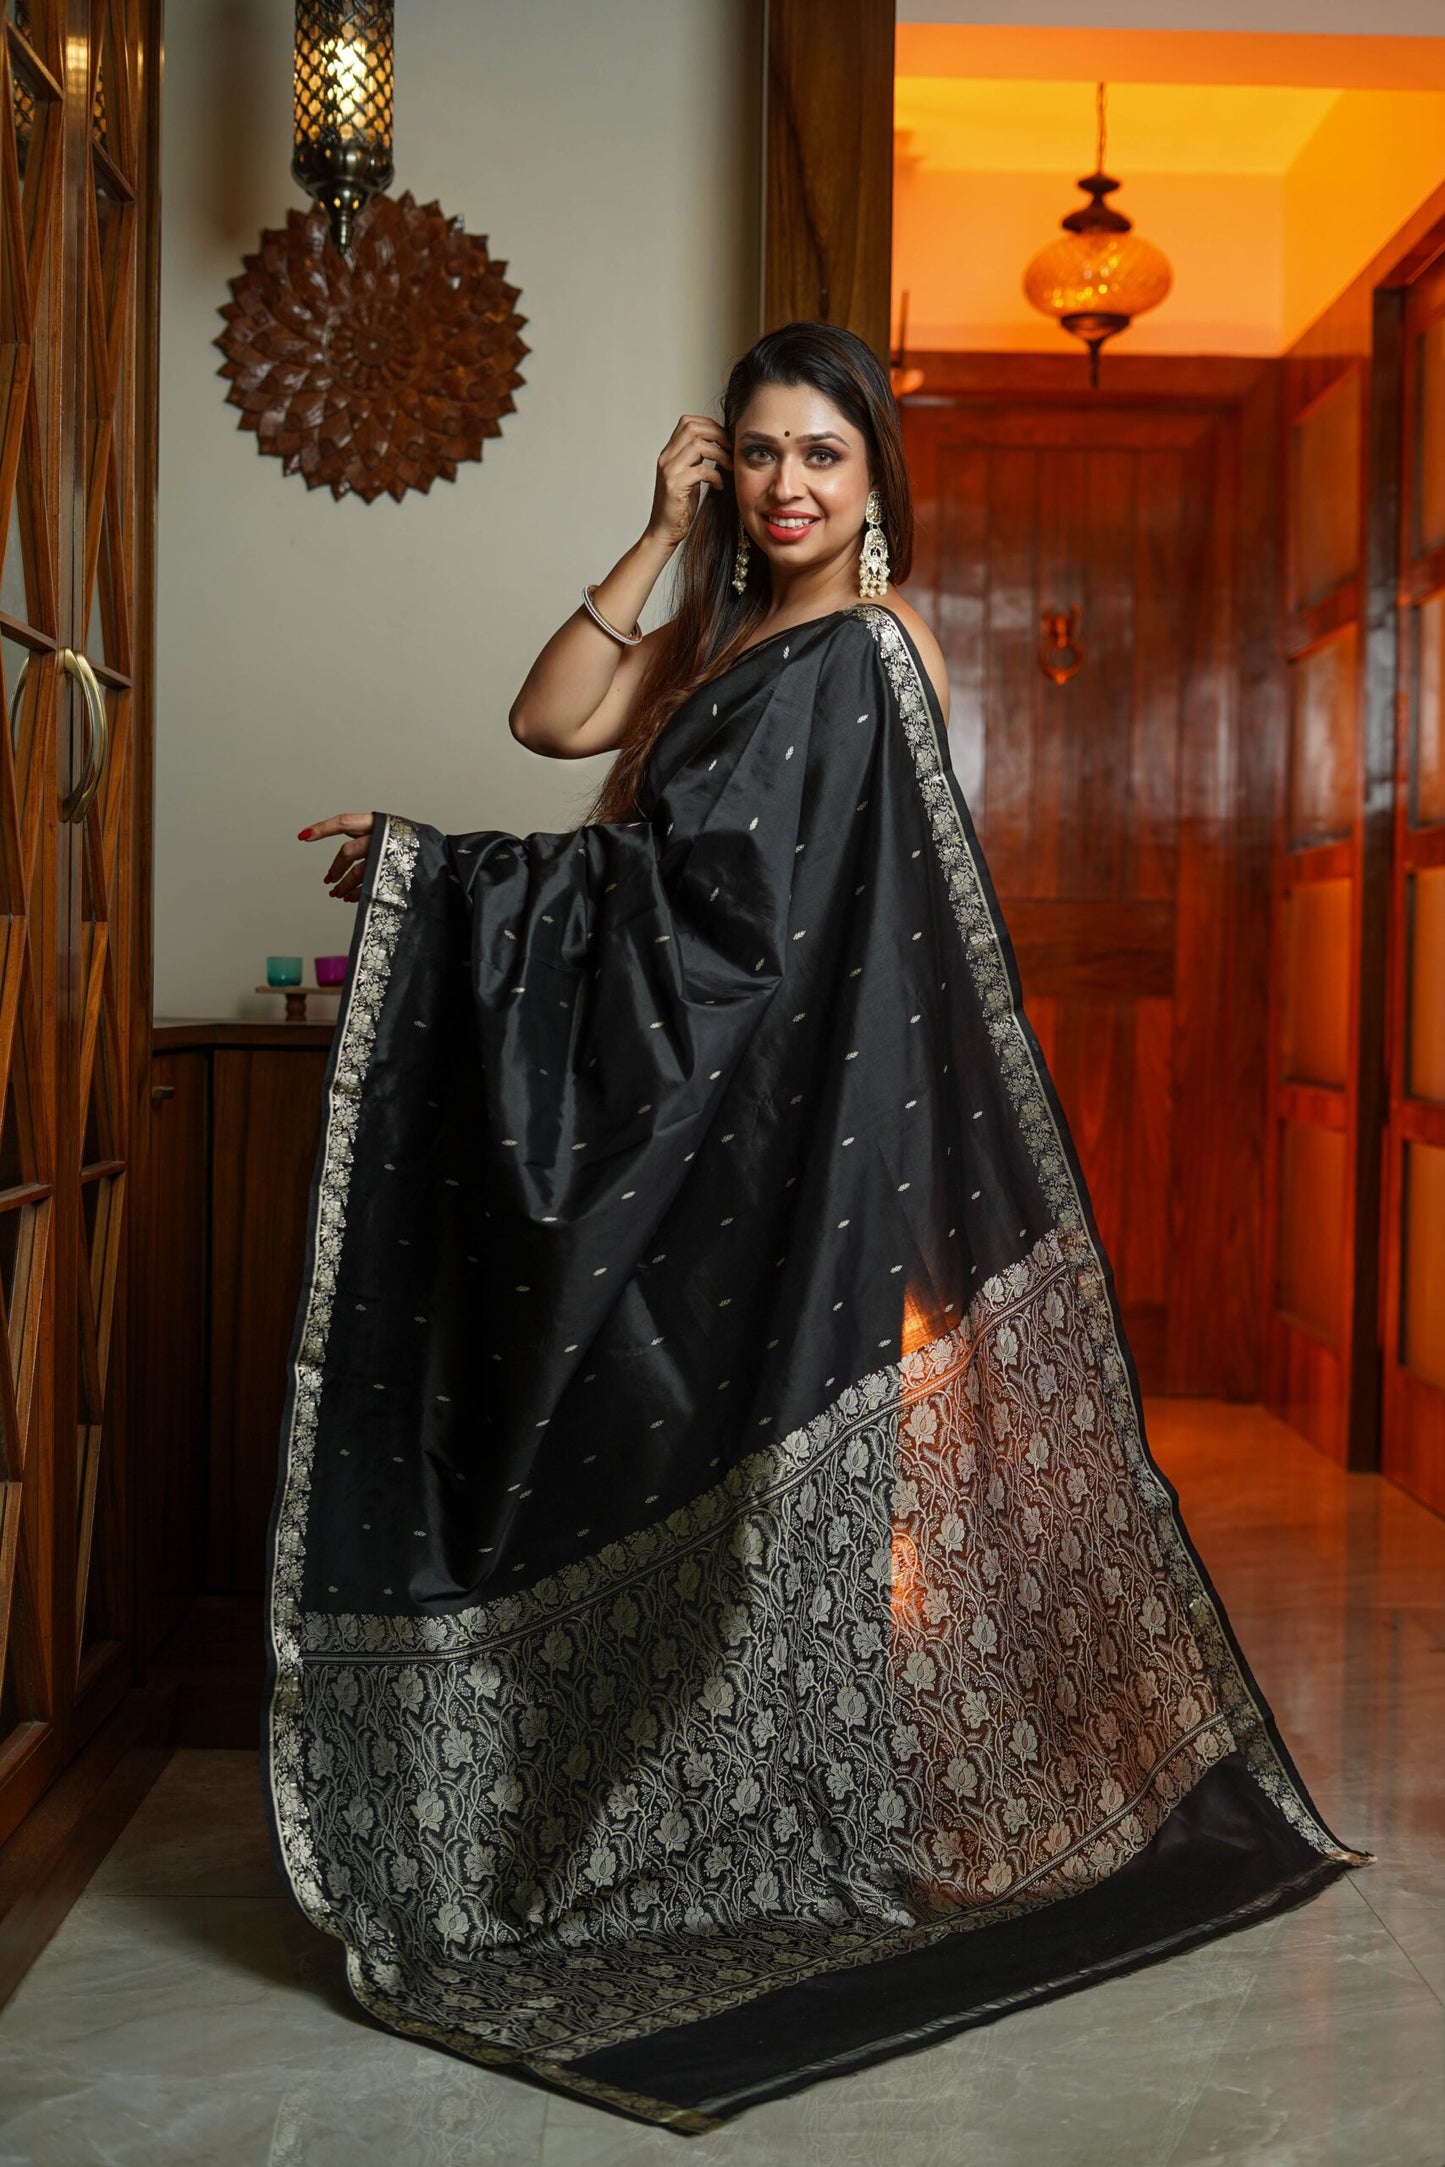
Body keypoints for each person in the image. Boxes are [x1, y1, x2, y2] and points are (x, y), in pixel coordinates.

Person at [272, 323, 1364, 2136]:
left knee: (781, 1500)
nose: (788, 487)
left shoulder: (868, 648)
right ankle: (640, 1809)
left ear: (874, 483)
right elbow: (550, 724)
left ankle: (784, 1819)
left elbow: (743, 914)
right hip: (692, 1122)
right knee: (644, 1464)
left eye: (822, 458)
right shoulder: (725, 632)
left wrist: (440, 877)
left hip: (795, 1137)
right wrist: (658, 532)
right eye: (760, 454)